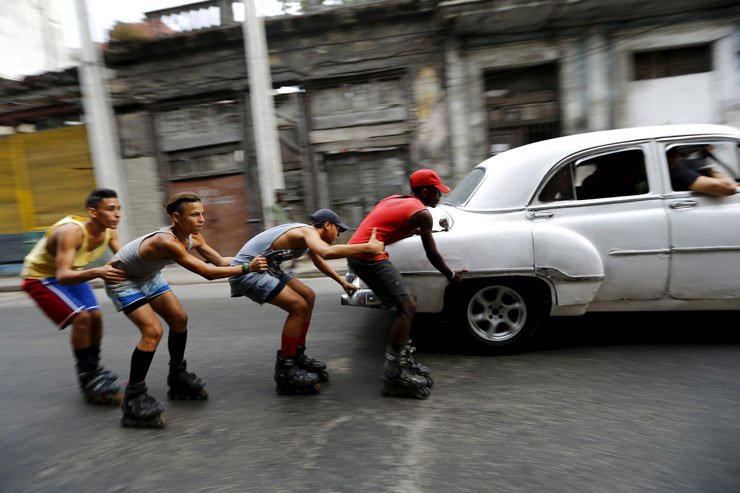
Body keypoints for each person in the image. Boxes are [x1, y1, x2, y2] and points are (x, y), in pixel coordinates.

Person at [106, 192, 266, 428]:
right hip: (123, 280)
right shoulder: (166, 241)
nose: (201, 219)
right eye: (194, 215)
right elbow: (207, 273)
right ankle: (133, 396)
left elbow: (221, 262)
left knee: (179, 319)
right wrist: (246, 268)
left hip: (148, 276)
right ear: (177, 217)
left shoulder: (195, 238)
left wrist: (259, 260)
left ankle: (177, 375)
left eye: (202, 214)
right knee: (152, 332)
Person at [229, 209, 384, 395]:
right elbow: (326, 253)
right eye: (338, 230)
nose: (338, 235)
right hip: (248, 272)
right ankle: (286, 370)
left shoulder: (308, 237)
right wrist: (368, 247)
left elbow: (319, 261)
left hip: (269, 268)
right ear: (327, 225)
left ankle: (297, 355)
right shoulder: (306, 232)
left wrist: (342, 282)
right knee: (298, 306)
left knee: (308, 296)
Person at [346, 169, 466, 399]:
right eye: (437, 192)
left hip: (360, 253)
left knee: (408, 299)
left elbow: (386, 226)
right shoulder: (421, 213)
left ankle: (402, 359)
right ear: (425, 192)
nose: (439, 197)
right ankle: (394, 375)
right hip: (367, 257)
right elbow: (431, 253)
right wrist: (450, 275)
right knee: (407, 306)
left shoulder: (393, 200)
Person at [21, 188, 127, 404]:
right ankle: (86, 376)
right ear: (93, 212)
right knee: (82, 318)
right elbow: (62, 275)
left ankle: (94, 369)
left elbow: (126, 258)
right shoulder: (71, 231)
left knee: (95, 317)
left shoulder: (109, 231)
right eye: (110, 209)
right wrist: (98, 271)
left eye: (118, 209)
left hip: (73, 274)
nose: (117, 214)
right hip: (41, 277)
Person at [667, 146, 737, 196]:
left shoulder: (669, 174)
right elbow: (729, 187)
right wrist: (711, 172)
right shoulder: (678, 173)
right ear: (675, 155)